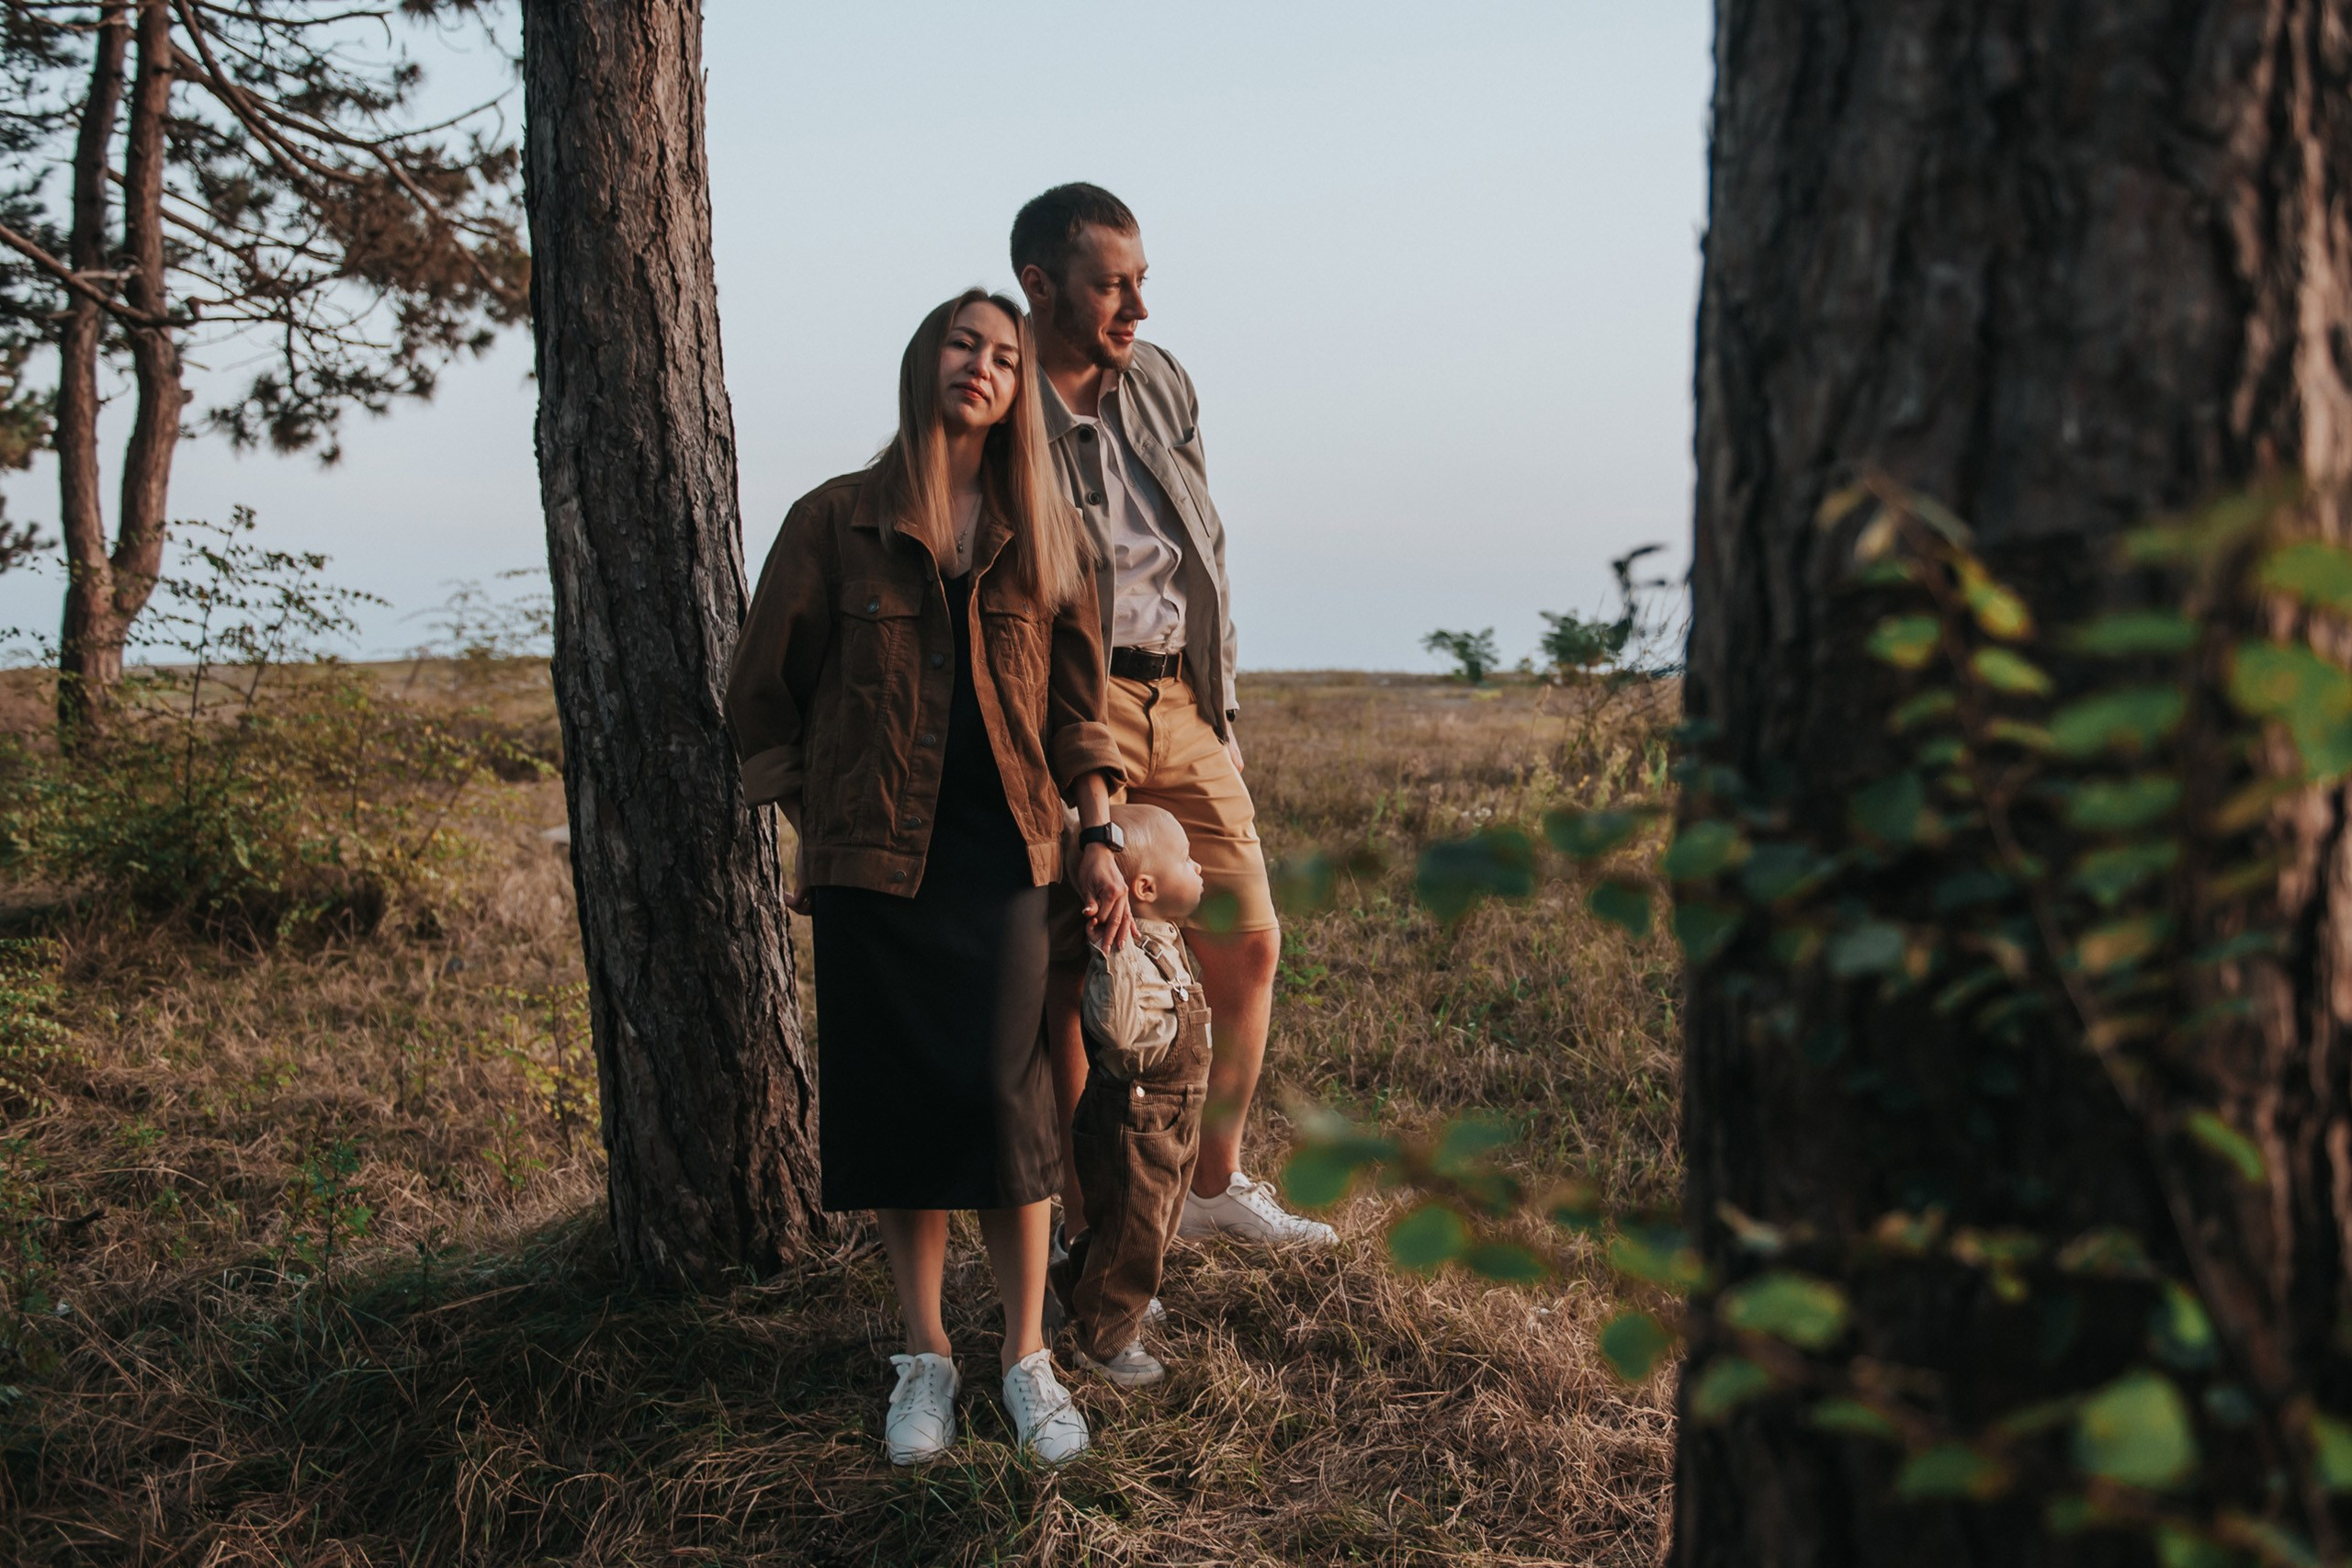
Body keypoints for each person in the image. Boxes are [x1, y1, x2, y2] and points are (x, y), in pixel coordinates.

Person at [723, 288, 1138, 1469]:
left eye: (1006, 356)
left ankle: (1023, 1358)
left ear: (1017, 388)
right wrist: (820, 817)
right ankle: (923, 1358)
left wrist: (1098, 835)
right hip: (875, 864)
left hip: (1007, 853)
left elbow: (1081, 712)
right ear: (925, 361)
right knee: (901, 1105)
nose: (985, 366)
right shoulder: (832, 521)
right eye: (965, 343)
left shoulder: (1046, 531)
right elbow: (763, 691)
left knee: (1007, 1106)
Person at [1011, 183, 1336, 1251]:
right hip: (1068, 696)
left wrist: (1220, 700)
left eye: (1142, 281)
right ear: (1040, 284)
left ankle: (1210, 1185)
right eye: (1113, 286)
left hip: (1181, 695)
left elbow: (1206, 550)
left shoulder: (1159, 381)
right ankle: (1076, 1212)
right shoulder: (997, 396)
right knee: (1074, 961)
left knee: (1244, 941)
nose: (1137, 308)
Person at [1050, 804, 1211, 1388]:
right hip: (1137, 1113)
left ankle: (1093, 1291)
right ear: (1143, 887)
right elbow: (1116, 1032)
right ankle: (1106, 1339)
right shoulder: (1121, 954)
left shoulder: (1162, 934)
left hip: (1175, 1112)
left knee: (1159, 1218)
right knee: (1132, 1225)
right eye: (1187, 861)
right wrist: (1109, 956)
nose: (1200, 870)